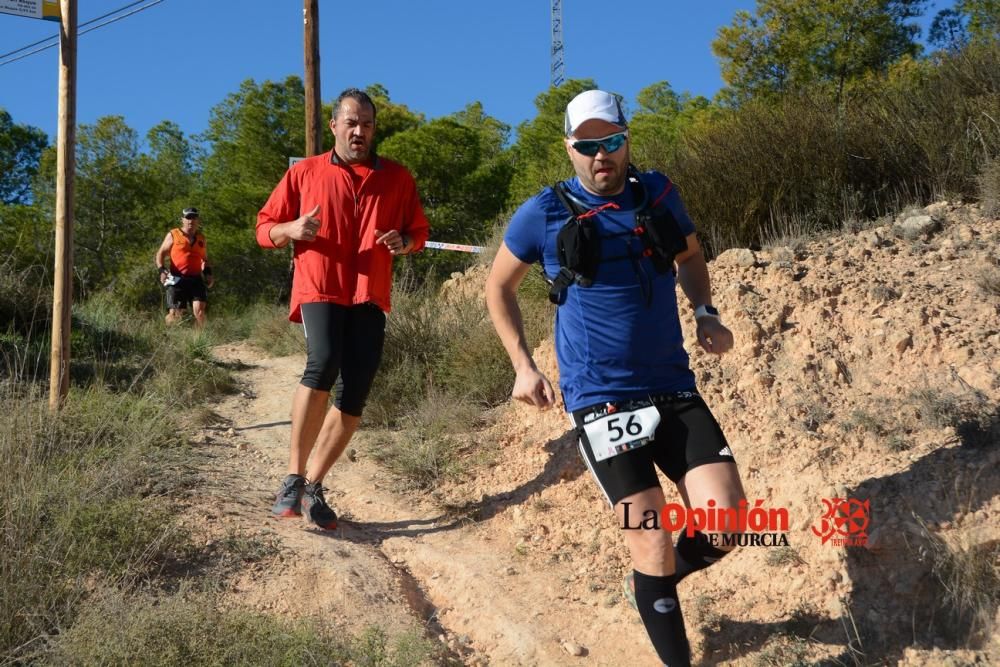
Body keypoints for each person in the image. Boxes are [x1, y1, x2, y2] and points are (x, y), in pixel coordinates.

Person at [485, 89, 746, 666]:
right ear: (570, 148)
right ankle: (664, 615)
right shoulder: (544, 212)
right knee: (650, 538)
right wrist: (522, 366)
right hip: (604, 404)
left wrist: (705, 312)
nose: (600, 154)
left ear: (627, 138)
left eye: (611, 141)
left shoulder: (659, 193)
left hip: (674, 390)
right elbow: (498, 287)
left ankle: (651, 589)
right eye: (587, 144)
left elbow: (691, 257)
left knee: (728, 523)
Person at [256, 88, 430, 530]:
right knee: (323, 361)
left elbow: (419, 231)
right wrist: (291, 228)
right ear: (333, 125)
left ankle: (315, 485)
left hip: (369, 290)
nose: (360, 131)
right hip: (320, 284)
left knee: (356, 391)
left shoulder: (397, 177)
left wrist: (403, 242)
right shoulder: (305, 173)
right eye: (351, 122)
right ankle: (293, 478)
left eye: (367, 124)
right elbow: (263, 227)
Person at [155, 207, 214, 326]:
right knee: (175, 315)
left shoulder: (201, 239)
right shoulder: (174, 234)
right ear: (182, 219)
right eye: (188, 218)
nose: (191, 221)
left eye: (194, 217)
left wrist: (208, 274)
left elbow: (204, 259)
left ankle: (199, 341)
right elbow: (160, 253)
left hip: (196, 279)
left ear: (198, 220)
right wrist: (161, 270)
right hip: (177, 279)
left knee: (200, 312)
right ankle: (168, 336)